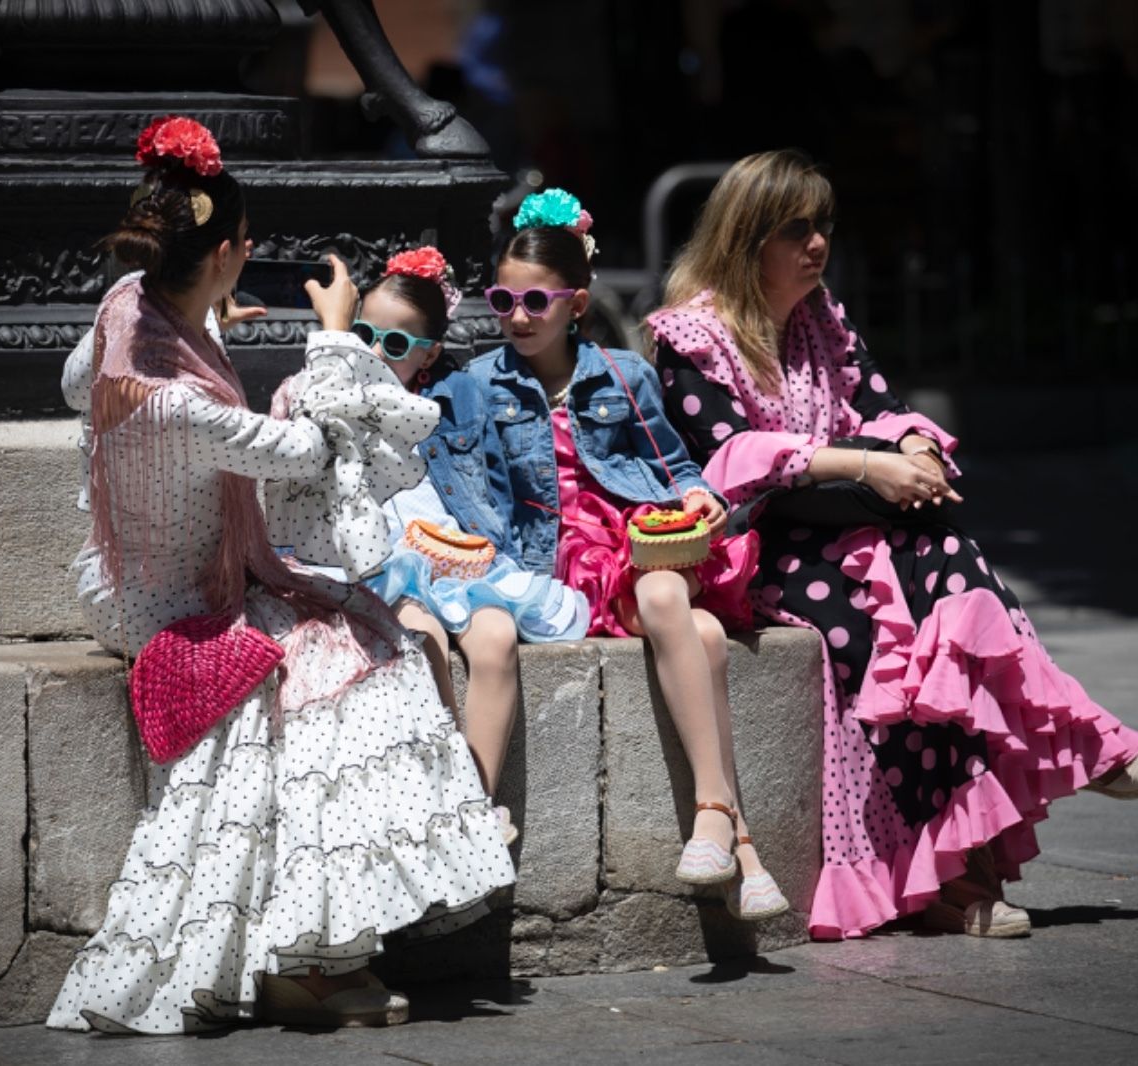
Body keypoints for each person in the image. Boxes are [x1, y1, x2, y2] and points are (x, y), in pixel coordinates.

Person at [47, 117, 514, 1034]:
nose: (251, 253)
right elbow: (306, 450)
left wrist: (210, 324)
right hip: (179, 603)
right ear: (225, 252)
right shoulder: (180, 402)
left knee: (359, 635)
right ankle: (312, 948)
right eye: (245, 245)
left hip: (130, 570)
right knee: (359, 669)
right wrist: (337, 339)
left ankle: (321, 944)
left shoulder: (130, 305)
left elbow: (74, 384)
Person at [647, 149, 1138, 941]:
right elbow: (731, 456)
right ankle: (977, 843)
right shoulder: (689, 336)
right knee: (873, 640)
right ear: (746, 236)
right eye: (795, 229)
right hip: (764, 546)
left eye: (822, 225)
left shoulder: (822, 318)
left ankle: (977, 852)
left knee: (941, 590)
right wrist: (867, 462)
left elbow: (884, 405)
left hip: (848, 526)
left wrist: (918, 451)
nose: (817, 244)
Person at [453, 188, 787, 921]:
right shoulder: (478, 385)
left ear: (576, 304)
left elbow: (675, 465)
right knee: (700, 635)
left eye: (536, 301)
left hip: (633, 542)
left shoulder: (624, 374)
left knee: (671, 598)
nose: (516, 315)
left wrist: (701, 498)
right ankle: (739, 837)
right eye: (502, 297)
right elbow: (471, 492)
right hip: (551, 561)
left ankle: (711, 819)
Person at [269, 245, 588, 844]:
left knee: (495, 640)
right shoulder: (332, 394)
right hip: (383, 562)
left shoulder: (453, 398)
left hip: (455, 555)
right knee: (423, 636)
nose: (373, 353)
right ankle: (451, 790)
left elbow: (494, 489)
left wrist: (504, 558)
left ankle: (481, 796)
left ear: (429, 356)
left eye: (395, 346)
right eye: (363, 335)